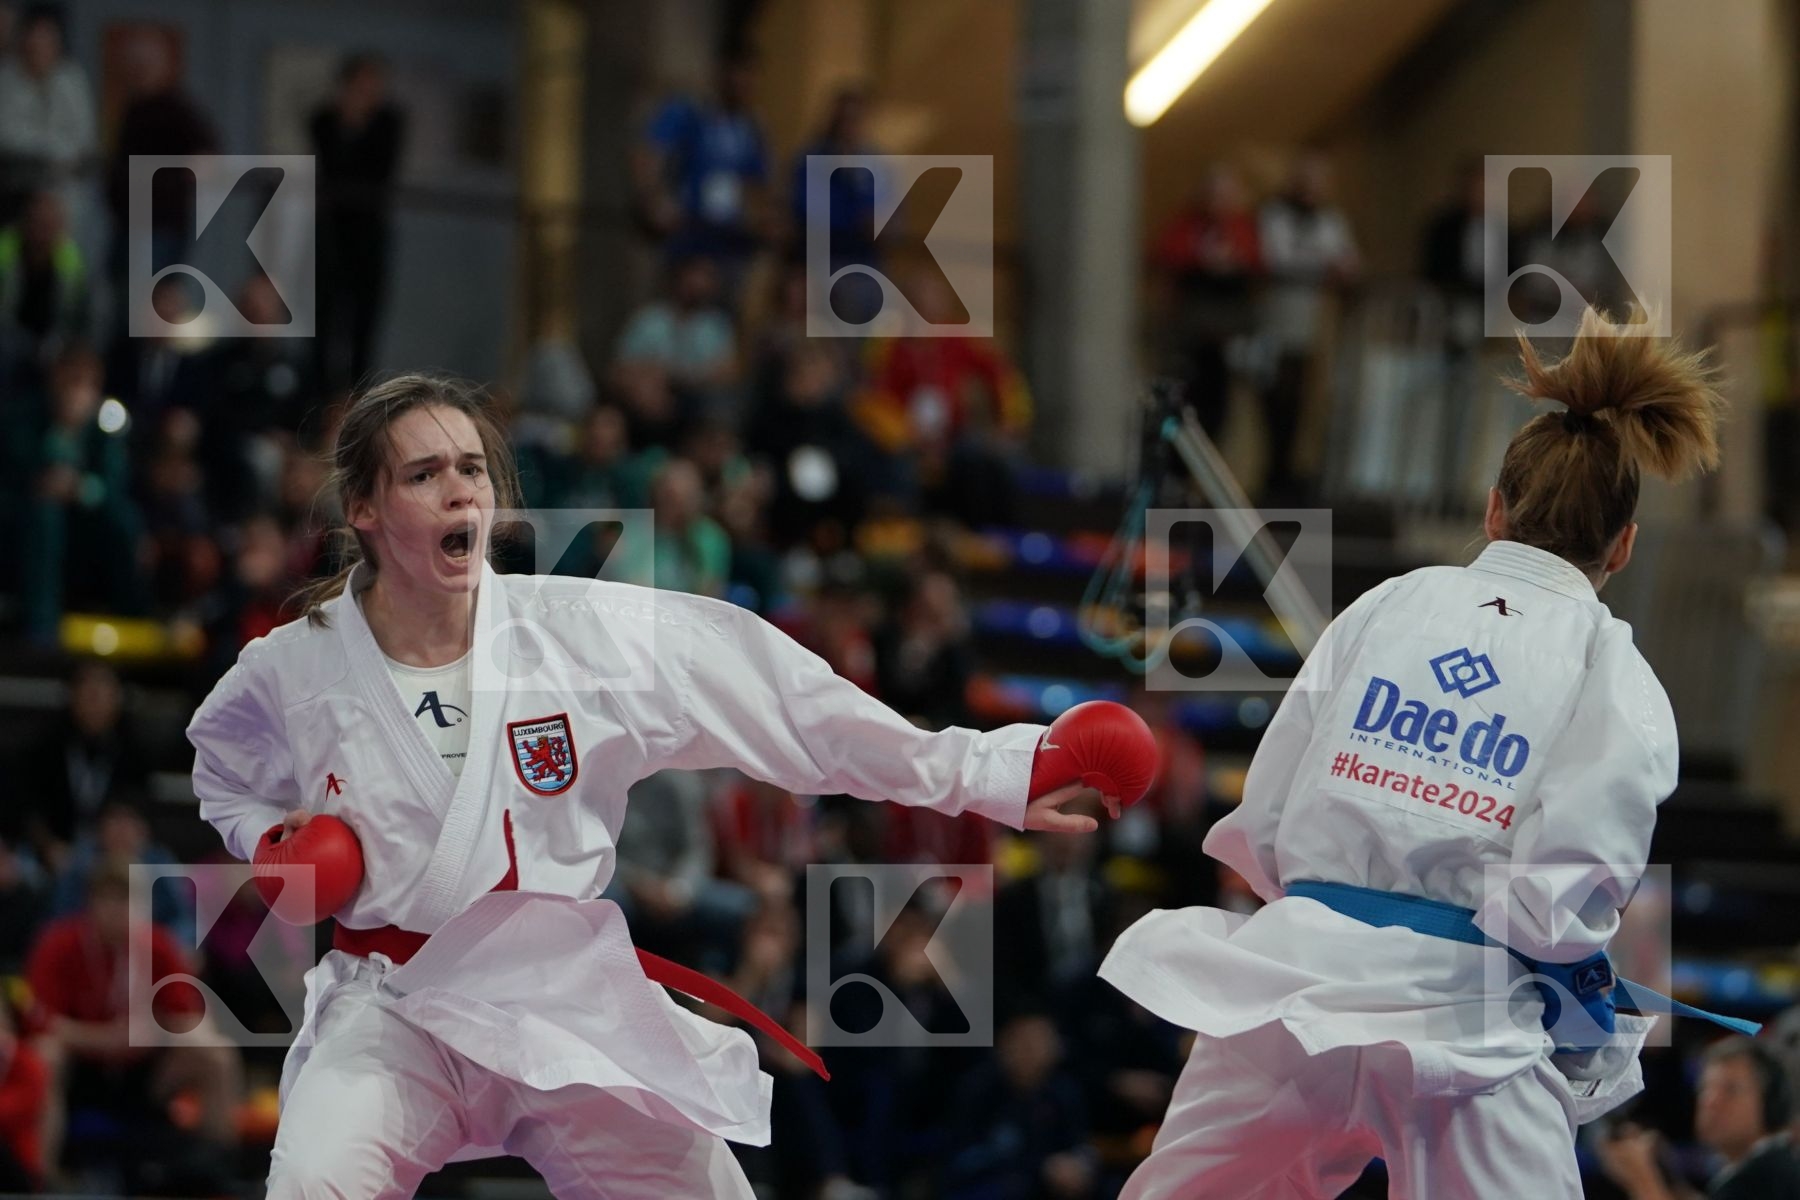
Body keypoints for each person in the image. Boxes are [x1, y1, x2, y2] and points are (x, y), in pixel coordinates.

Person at [185, 373, 1150, 1197]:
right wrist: (272, 838)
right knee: (313, 1181)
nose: (460, 494)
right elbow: (220, 766)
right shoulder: (293, 668)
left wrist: (992, 773)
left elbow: (789, 704)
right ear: (364, 508)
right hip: (391, 1002)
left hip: (556, 1000)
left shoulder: (578, 636)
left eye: (473, 469)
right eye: (425, 474)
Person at [1100, 306, 1733, 1198]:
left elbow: (1269, 813)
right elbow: (1563, 896)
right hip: (1467, 1027)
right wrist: (1578, 997)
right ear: (1622, 547)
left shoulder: (1387, 604)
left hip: (1292, 986)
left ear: (1493, 510)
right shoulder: (1613, 665)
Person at [1599, 1038, 1800, 1200]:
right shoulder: (1763, 1167)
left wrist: (1642, 1178)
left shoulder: (1767, 1178)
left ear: (1772, 1101)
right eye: (1705, 1088)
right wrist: (1670, 1180)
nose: (1709, 1101)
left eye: (1730, 1090)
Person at [310, 53, 405, 388]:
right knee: (324, 317)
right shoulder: (324, 119)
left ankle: (359, 393)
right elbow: (332, 167)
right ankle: (321, 395)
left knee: (365, 319)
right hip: (333, 232)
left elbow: (378, 170)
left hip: (369, 233)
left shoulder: (389, 122)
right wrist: (348, 122)